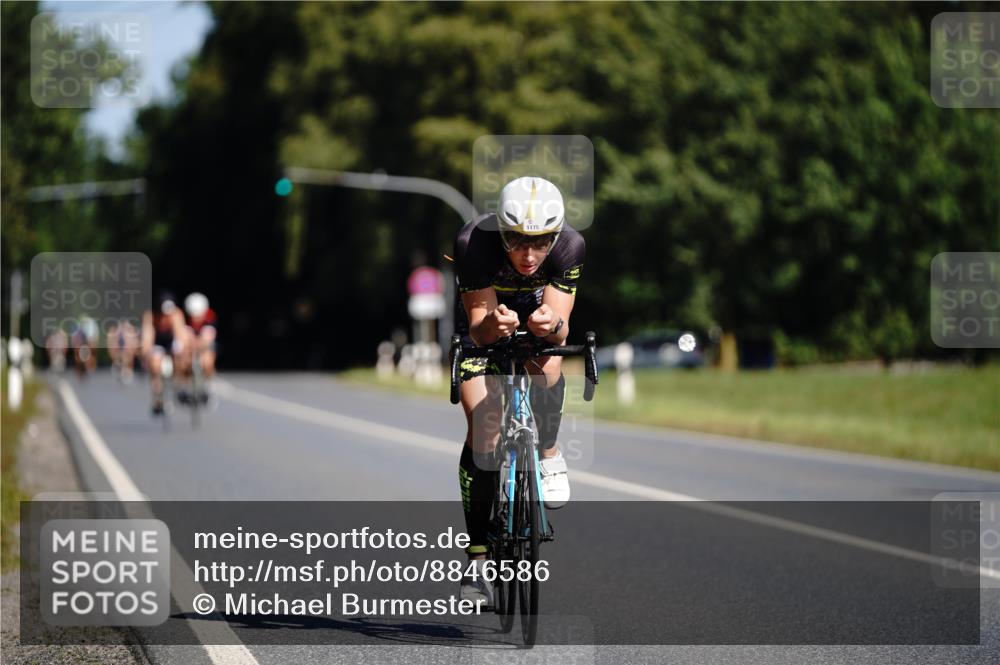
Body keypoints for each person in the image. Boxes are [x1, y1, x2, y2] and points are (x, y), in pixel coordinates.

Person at [452, 176, 585, 606]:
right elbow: (479, 325)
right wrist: (495, 325)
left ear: (556, 235)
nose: (529, 256)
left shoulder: (570, 248)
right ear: (500, 233)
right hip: (485, 326)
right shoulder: (474, 242)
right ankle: (476, 558)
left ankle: (547, 451)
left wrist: (553, 326)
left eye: (541, 242)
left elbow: (561, 321)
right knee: (485, 432)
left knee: (549, 363)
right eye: (516, 241)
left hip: (534, 324)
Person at [141, 292, 187, 415]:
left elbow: (180, 333)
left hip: (171, 340)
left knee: (179, 355)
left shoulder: (177, 314)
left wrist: (180, 348)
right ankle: (157, 397)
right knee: (155, 365)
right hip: (158, 342)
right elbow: (147, 337)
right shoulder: (150, 315)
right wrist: (146, 355)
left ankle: (179, 383)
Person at [180, 292, 217, 401]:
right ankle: (184, 386)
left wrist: (200, 345)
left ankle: (208, 386)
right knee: (184, 360)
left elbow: (208, 338)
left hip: (204, 342)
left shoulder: (210, 316)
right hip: (190, 343)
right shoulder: (185, 318)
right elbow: (184, 336)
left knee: (207, 361)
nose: (196, 319)